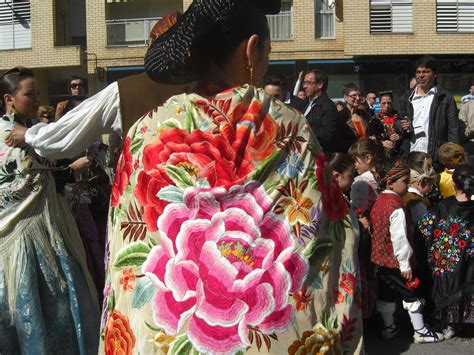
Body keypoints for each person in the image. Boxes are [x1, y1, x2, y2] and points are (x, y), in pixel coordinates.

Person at [103, 0, 363, 353]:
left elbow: (124, 245)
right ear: (252, 48)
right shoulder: (286, 125)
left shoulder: (145, 131)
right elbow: (324, 231)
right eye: (268, 51)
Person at [0, 67, 100, 353]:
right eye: (29, 94)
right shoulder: (10, 135)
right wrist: (72, 170)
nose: (35, 99)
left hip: (39, 232)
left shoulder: (28, 133)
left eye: (38, 94)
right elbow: (29, 182)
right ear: (9, 98)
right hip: (26, 242)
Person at [370, 161, 444, 343]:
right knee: (411, 294)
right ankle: (421, 332)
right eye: (404, 181)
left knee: (386, 295)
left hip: (380, 261)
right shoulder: (396, 206)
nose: (407, 184)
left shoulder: (379, 201)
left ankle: (390, 328)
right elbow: (400, 238)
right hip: (397, 263)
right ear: (390, 183)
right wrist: (405, 264)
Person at [419, 165, 474, 338]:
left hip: (446, 264)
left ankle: (448, 321)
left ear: (454, 183)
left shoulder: (440, 207)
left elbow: (424, 229)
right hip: (468, 264)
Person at [397, 55, 459, 162]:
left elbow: (453, 130)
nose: (421, 76)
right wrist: (400, 125)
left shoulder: (445, 98)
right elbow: (397, 120)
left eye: (426, 72)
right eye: (418, 72)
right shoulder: (406, 98)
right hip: (411, 155)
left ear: (435, 74)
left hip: (435, 156)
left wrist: (451, 158)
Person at [349, 138, 385, 318]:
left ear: (368, 158)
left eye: (356, 160)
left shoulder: (361, 182)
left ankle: (367, 310)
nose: (354, 165)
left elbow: (358, 208)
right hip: (381, 227)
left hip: (367, 228)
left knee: (365, 270)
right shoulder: (381, 177)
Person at [302, 69, 339, 152]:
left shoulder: (328, 106)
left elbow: (327, 134)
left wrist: (303, 129)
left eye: (308, 83)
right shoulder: (308, 103)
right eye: (304, 83)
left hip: (321, 155)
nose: (304, 86)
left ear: (320, 84)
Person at [370, 91, 401, 156]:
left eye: (389, 103)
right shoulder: (375, 119)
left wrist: (399, 136)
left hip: (399, 152)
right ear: (380, 103)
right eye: (384, 103)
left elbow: (406, 134)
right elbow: (372, 137)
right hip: (381, 153)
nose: (387, 106)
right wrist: (382, 142)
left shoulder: (399, 116)